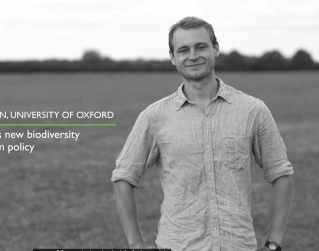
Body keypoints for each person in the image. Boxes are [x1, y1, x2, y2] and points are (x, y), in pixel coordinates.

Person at [111, 16, 293, 251]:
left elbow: (281, 173)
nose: (193, 55)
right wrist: (135, 244)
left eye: (201, 46)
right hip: (177, 245)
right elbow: (123, 175)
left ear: (215, 48)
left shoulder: (253, 109)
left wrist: (273, 244)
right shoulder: (154, 116)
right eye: (183, 50)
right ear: (173, 57)